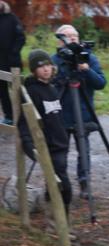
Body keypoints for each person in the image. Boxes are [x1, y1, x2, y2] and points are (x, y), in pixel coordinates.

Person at [52, 24, 107, 199]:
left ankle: (84, 182)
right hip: (61, 113)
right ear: (60, 40)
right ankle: (57, 184)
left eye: (75, 35)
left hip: (83, 113)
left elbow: (100, 83)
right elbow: (50, 86)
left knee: (84, 150)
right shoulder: (54, 60)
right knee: (60, 150)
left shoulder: (89, 59)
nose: (72, 38)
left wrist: (86, 69)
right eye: (67, 36)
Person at [17, 49, 72, 221]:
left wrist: (64, 132)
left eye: (48, 65)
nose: (46, 69)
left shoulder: (52, 88)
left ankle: (57, 220)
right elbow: (25, 120)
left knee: (56, 184)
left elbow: (56, 117)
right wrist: (28, 142)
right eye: (41, 67)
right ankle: (58, 222)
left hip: (61, 145)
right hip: (48, 147)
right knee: (63, 186)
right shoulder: (31, 91)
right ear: (34, 70)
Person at [0, 1, 25, 125]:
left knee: (18, 89)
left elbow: (21, 37)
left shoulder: (12, 18)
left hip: (13, 61)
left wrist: (14, 53)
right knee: (2, 90)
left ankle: (24, 116)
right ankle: (9, 116)